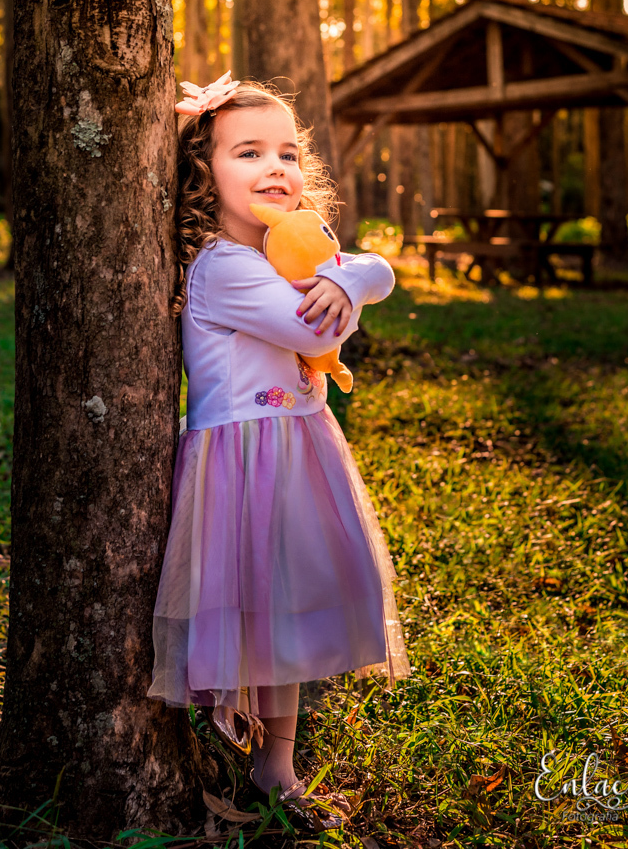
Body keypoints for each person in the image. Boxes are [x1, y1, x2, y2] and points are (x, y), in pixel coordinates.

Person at [147, 72, 411, 829]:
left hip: (296, 450)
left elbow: (373, 269)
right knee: (253, 610)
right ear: (204, 171)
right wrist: (347, 285)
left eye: (289, 153)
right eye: (248, 152)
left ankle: (277, 765)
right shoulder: (224, 267)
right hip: (242, 464)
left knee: (284, 614)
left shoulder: (288, 256)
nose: (276, 168)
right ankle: (239, 735)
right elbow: (316, 329)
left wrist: (355, 274)